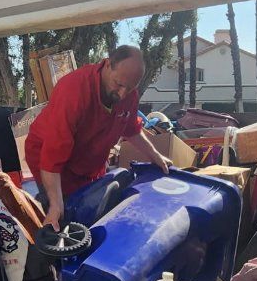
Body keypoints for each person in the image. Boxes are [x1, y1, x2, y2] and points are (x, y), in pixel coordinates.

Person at [25, 45, 173, 230]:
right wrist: (55, 204)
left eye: (130, 88)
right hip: (50, 160)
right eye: (119, 85)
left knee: (94, 211)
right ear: (108, 64)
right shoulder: (73, 91)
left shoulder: (128, 92)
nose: (122, 94)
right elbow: (52, 157)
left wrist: (156, 156)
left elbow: (131, 129)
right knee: (65, 218)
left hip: (87, 161)